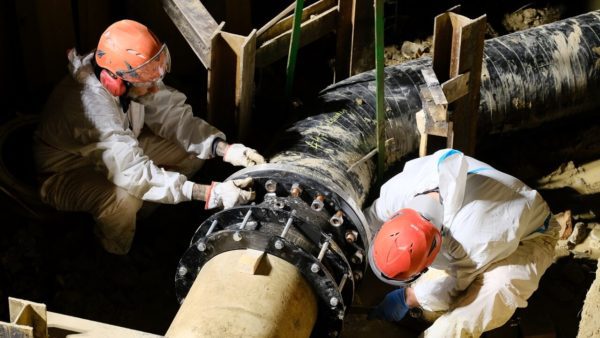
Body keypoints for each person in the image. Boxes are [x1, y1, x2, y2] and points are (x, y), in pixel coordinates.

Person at [34, 19, 265, 255]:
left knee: (191, 153)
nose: (154, 88)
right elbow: (132, 172)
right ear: (114, 83)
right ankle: (113, 251)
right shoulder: (91, 109)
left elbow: (172, 116)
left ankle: (142, 215)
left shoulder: (128, 71)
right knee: (123, 200)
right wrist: (208, 194)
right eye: (146, 82)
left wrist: (226, 149)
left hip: (117, 152)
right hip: (66, 170)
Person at [364, 148, 559, 337]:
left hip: (531, 237)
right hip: (489, 224)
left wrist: (408, 298)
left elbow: (457, 283)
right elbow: (370, 220)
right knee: (428, 298)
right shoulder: (398, 192)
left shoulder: (473, 239)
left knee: (468, 311)